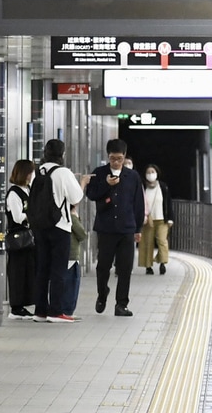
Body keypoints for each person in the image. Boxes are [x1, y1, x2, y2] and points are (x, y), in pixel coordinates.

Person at [85, 138, 145, 316]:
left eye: (119, 158)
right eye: (113, 158)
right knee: (103, 266)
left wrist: (138, 229)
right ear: (108, 157)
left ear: (124, 156)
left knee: (125, 268)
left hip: (127, 228)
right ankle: (102, 293)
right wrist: (106, 184)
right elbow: (91, 194)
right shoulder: (99, 173)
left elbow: (138, 203)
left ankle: (121, 304)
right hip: (106, 228)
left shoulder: (133, 176)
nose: (116, 162)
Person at [31, 138, 85, 323]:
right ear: (62, 154)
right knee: (59, 269)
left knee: (42, 268)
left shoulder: (38, 171)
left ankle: (40, 311)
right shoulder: (63, 172)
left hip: (39, 225)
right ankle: (56, 311)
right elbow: (76, 196)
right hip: (59, 225)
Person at [4, 159, 37, 319]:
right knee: (17, 271)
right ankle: (16, 307)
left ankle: (24, 303)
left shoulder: (29, 190)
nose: (31, 176)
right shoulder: (13, 193)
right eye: (30, 172)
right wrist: (34, 216)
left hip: (29, 239)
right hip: (18, 238)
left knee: (28, 271)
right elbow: (17, 217)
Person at [60, 175, 90, 316]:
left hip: (65, 254)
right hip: (72, 255)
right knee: (72, 284)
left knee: (66, 283)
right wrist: (77, 217)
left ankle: (65, 310)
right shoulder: (71, 216)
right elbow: (82, 234)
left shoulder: (61, 214)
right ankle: (67, 311)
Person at [139, 163, 175, 275]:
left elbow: (168, 202)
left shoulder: (163, 187)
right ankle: (148, 266)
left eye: (152, 172)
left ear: (157, 173)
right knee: (147, 242)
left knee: (162, 241)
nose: (151, 174)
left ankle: (162, 263)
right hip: (148, 219)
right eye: (148, 172)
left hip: (162, 219)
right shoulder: (142, 187)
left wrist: (170, 218)